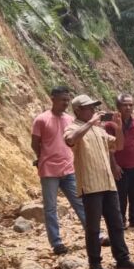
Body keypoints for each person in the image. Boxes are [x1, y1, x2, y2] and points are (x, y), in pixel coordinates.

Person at [64, 94, 134, 269]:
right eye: (89, 108)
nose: (93, 110)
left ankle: (122, 260)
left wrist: (118, 128)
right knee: (93, 227)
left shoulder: (99, 130)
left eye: (94, 107)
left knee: (116, 224)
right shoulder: (73, 127)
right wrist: (91, 123)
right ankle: (95, 263)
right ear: (78, 111)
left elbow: (119, 146)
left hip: (108, 183)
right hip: (90, 185)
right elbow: (70, 140)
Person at [32, 86, 93, 255]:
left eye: (67, 100)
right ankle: (56, 243)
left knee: (80, 203)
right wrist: (42, 157)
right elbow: (34, 143)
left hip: (69, 168)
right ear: (52, 99)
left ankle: (94, 234)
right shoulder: (41, 120)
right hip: (49, 170)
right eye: (62, 100)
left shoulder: (70, 119)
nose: (65, 103)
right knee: (51, 208)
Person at [105, 94, 134, 228]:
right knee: (120, 195)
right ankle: (121, 221)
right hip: (120, 166)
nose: (128, 107)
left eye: (131, 105)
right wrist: (114, 165)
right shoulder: (110, 125)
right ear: (118, 106)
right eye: (125, 105)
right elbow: (108, 147)